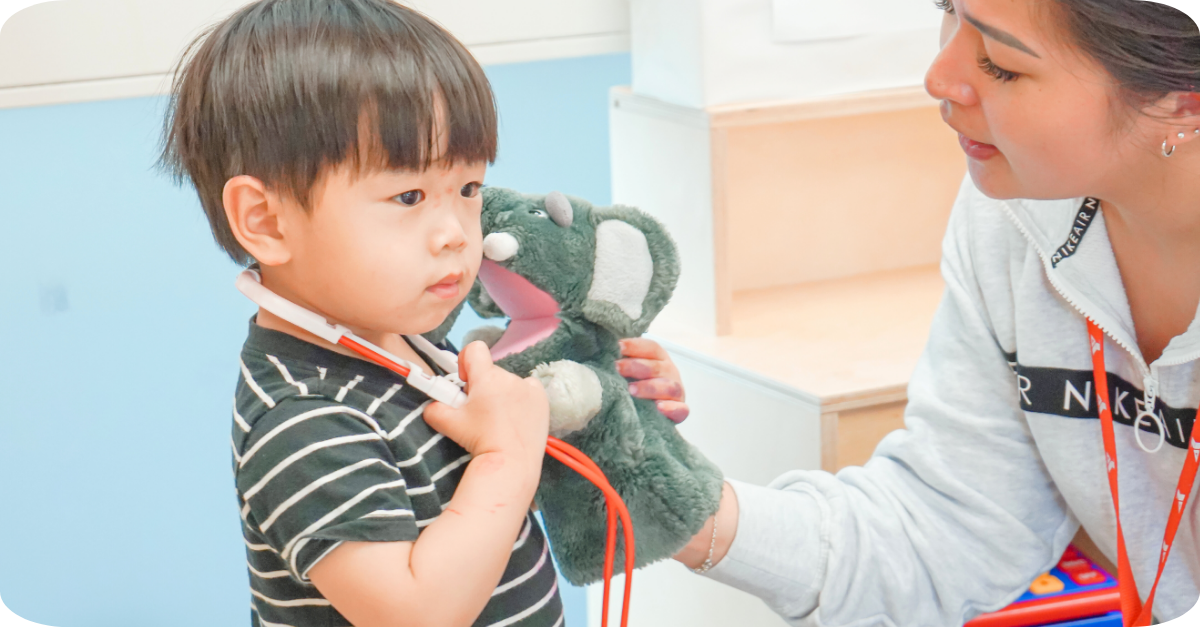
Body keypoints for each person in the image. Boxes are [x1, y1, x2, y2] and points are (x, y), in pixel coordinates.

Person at [647, 0, 1200, 624]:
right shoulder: (1017, 214)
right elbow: (945, 527)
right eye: (949, 9)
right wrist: (673, 501)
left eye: (1000, 65)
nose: (939, 77)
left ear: (1184, 101)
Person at [159, 1, 561, 624]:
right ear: (265, 221)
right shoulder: (305, 419)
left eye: (469, 188)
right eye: (408, 195)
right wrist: (506, 458)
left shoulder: (409, 342)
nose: (456, 232)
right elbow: (415, 614)